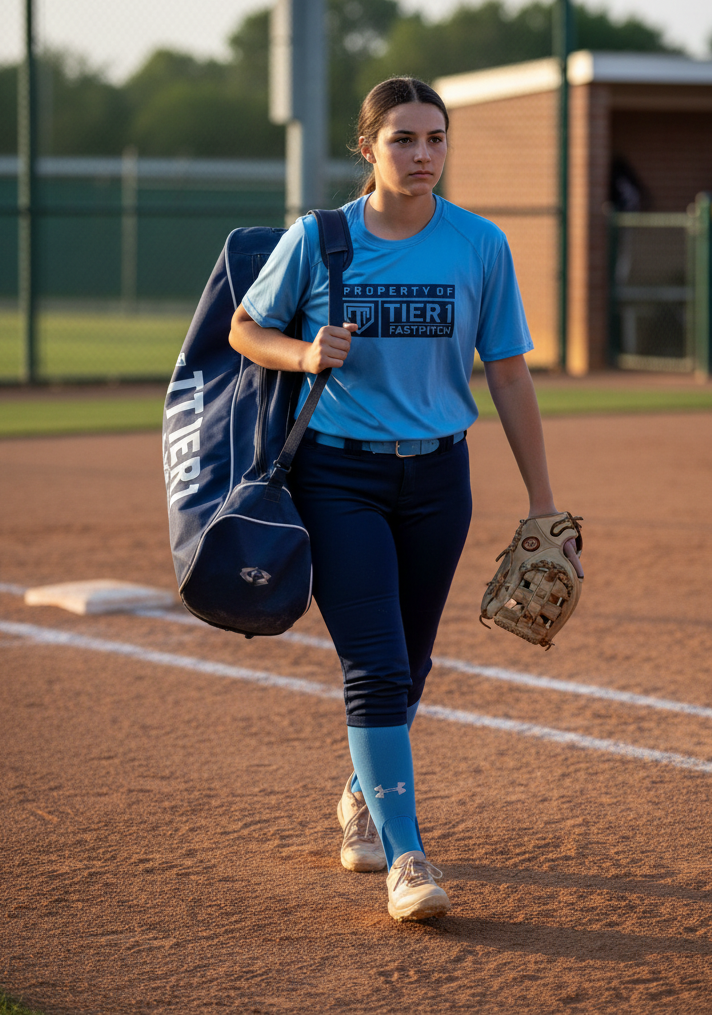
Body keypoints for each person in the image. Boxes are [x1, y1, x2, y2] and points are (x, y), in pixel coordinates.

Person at [229, 76, 581, 922]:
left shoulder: (479, 244)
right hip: (336, 478)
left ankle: (362, 794)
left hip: (437, 480)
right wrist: (305, 353)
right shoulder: (321, 238)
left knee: (413, 663)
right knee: (378, 666)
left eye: (435, 139)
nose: (423, 155)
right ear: (368, 148)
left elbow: (508, 372)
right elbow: (244, 328)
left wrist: (543, 503)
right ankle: (407, 856)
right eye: (404, 139)